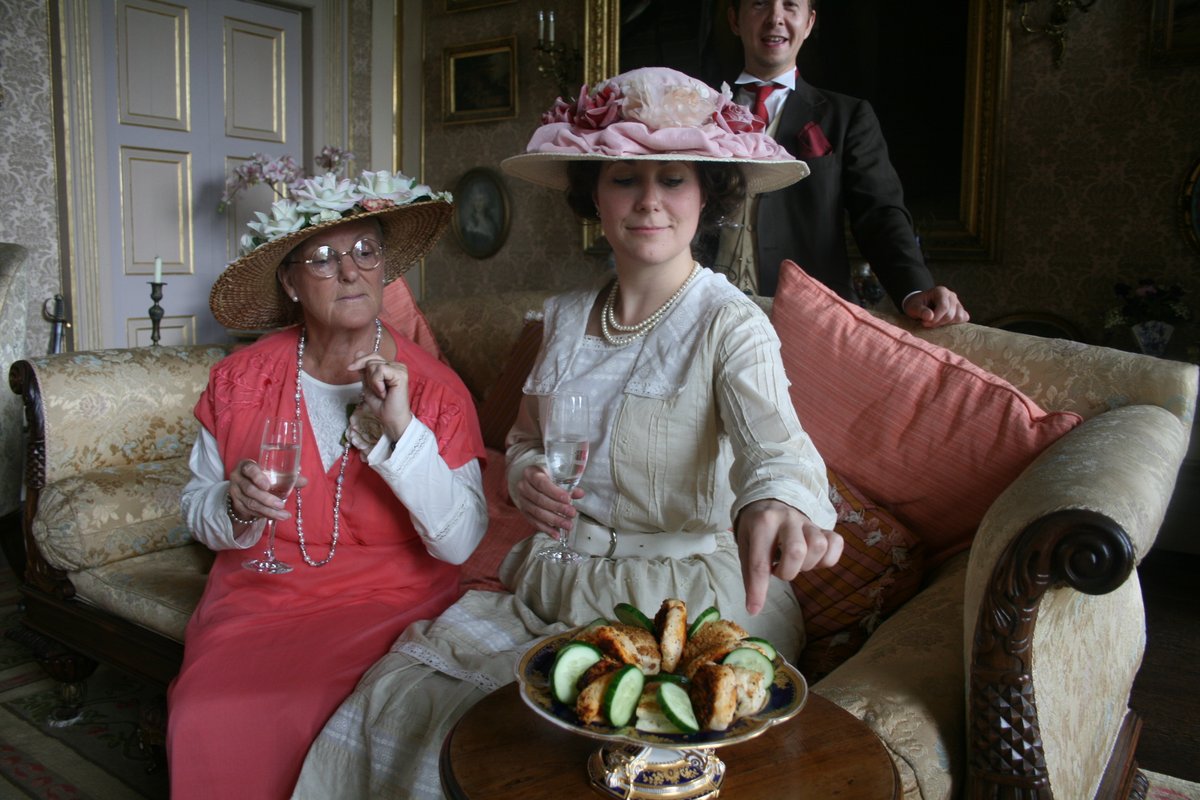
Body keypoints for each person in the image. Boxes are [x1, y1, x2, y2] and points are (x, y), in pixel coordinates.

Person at [291, 66, 842, 798]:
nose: (649, 201)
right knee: (407, 697)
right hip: (558, 575)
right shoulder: (562, 317)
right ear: (594, 196)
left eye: (673, 180)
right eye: (624, 180)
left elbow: (779, 452)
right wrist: (524, 477)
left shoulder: (730, 322)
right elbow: (522, 440)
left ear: (706, 195)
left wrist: (778, 503)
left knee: (570, 753)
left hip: (687, 598)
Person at [168, 169, 488, 799]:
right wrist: (232, 503)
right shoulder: (238, 382)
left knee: (320, 703)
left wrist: (403, 432)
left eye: (366, 251)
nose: (351, 272)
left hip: (391, 600)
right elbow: (195, 507)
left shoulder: (430, 389)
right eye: (323, 257)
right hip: (261, 596)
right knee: (208, 712)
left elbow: (460, 544)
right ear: (289, 282)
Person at [714, 0, 969, 328]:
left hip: (811, 321)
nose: (775, 18)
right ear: (734, 19)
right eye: (760, 3)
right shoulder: (696, 110)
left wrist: (914, 289)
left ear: (809, 23)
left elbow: (879, 215)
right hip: (706, 311)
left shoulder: (848, 117)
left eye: (791, 5)